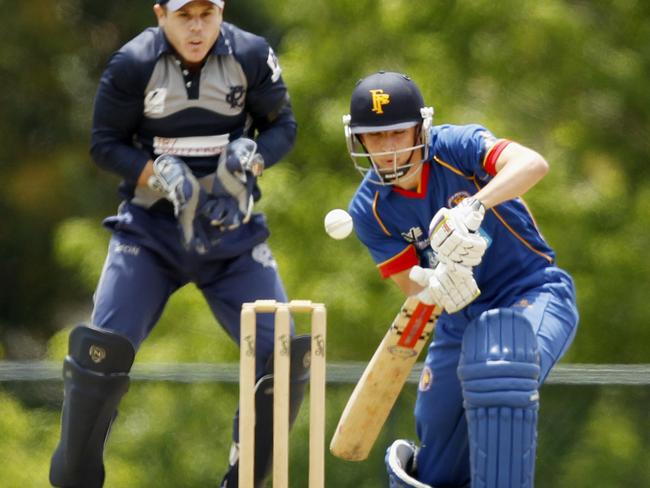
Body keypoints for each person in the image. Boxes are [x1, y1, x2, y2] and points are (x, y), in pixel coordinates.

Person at [49, 1, 305, 487]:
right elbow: (104, 144)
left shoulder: (250, 54)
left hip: (231, 233)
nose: (196, 28)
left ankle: (245, 475)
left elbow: (282, 127)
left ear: (221, 12)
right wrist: (157, 173)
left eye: (207, 15)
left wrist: (250, 159)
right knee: (100, 351)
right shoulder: (133, 63)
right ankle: (75, 477)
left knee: (287, 353)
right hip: (150, 235)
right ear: (160, 14)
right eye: (184, 15)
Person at [344, 71, 579, 487]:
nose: (388, 149)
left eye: (398, 133)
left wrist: (473, 207)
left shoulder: (456, 147)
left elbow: (531, 163)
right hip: (459, 318)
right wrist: (435, 282)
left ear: (421, 127)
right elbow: (413, 290)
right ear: (358, 140)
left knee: (503, 365)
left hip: (533, 291)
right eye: (375, 138)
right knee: (437, 457)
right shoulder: (370, 209)